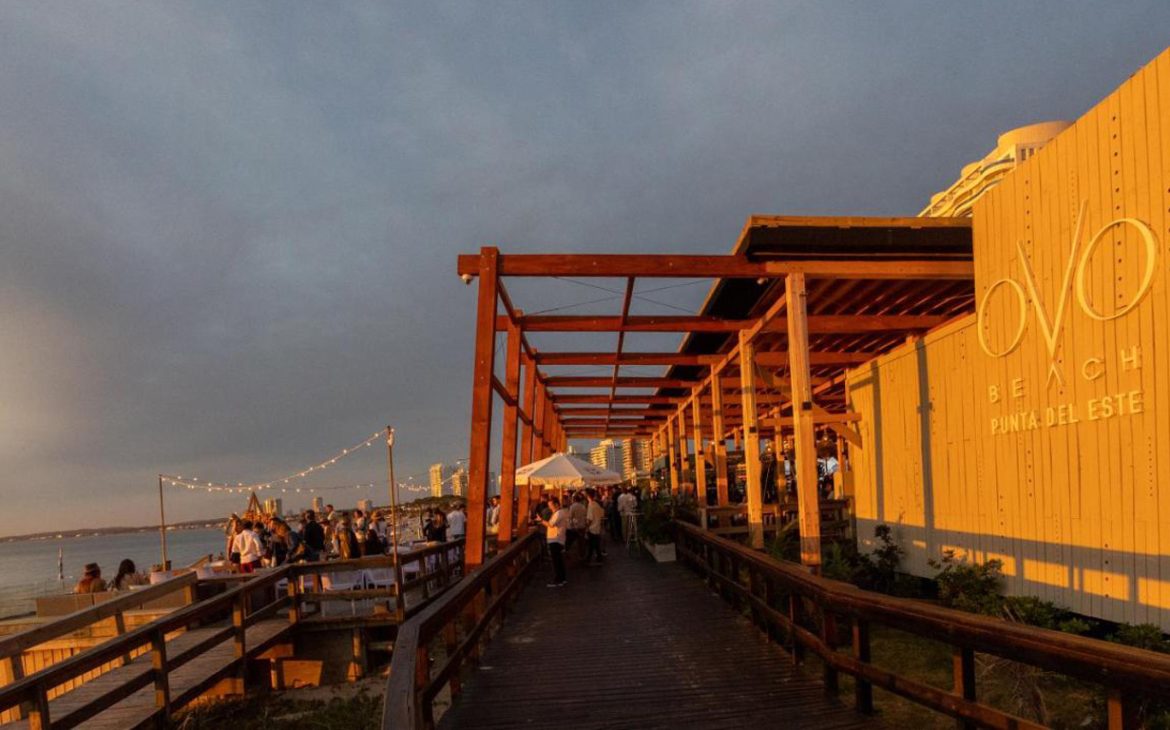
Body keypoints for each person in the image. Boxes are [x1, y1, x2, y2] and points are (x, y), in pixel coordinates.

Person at [539, 497, 567, 587]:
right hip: (557, 538)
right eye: (549, 505)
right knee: (558, 561)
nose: (550, 507)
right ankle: (562, 578)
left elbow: (551, 524)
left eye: (551, 505)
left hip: (555, 539)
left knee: (556, 561)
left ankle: (558, 579)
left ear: (556, 504)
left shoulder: (558, 513)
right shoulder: (559, 513)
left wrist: (541, 520)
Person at [585, 489, 605, 564]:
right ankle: (598, 559)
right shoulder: (597, 504)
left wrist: (586, 527)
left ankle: (588, 560)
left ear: (587, 496)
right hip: (597, 528)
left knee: (591, 546)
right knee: (595, 545)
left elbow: (589, 519)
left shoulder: (591, 505)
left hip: (592, 528)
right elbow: (602, 515)